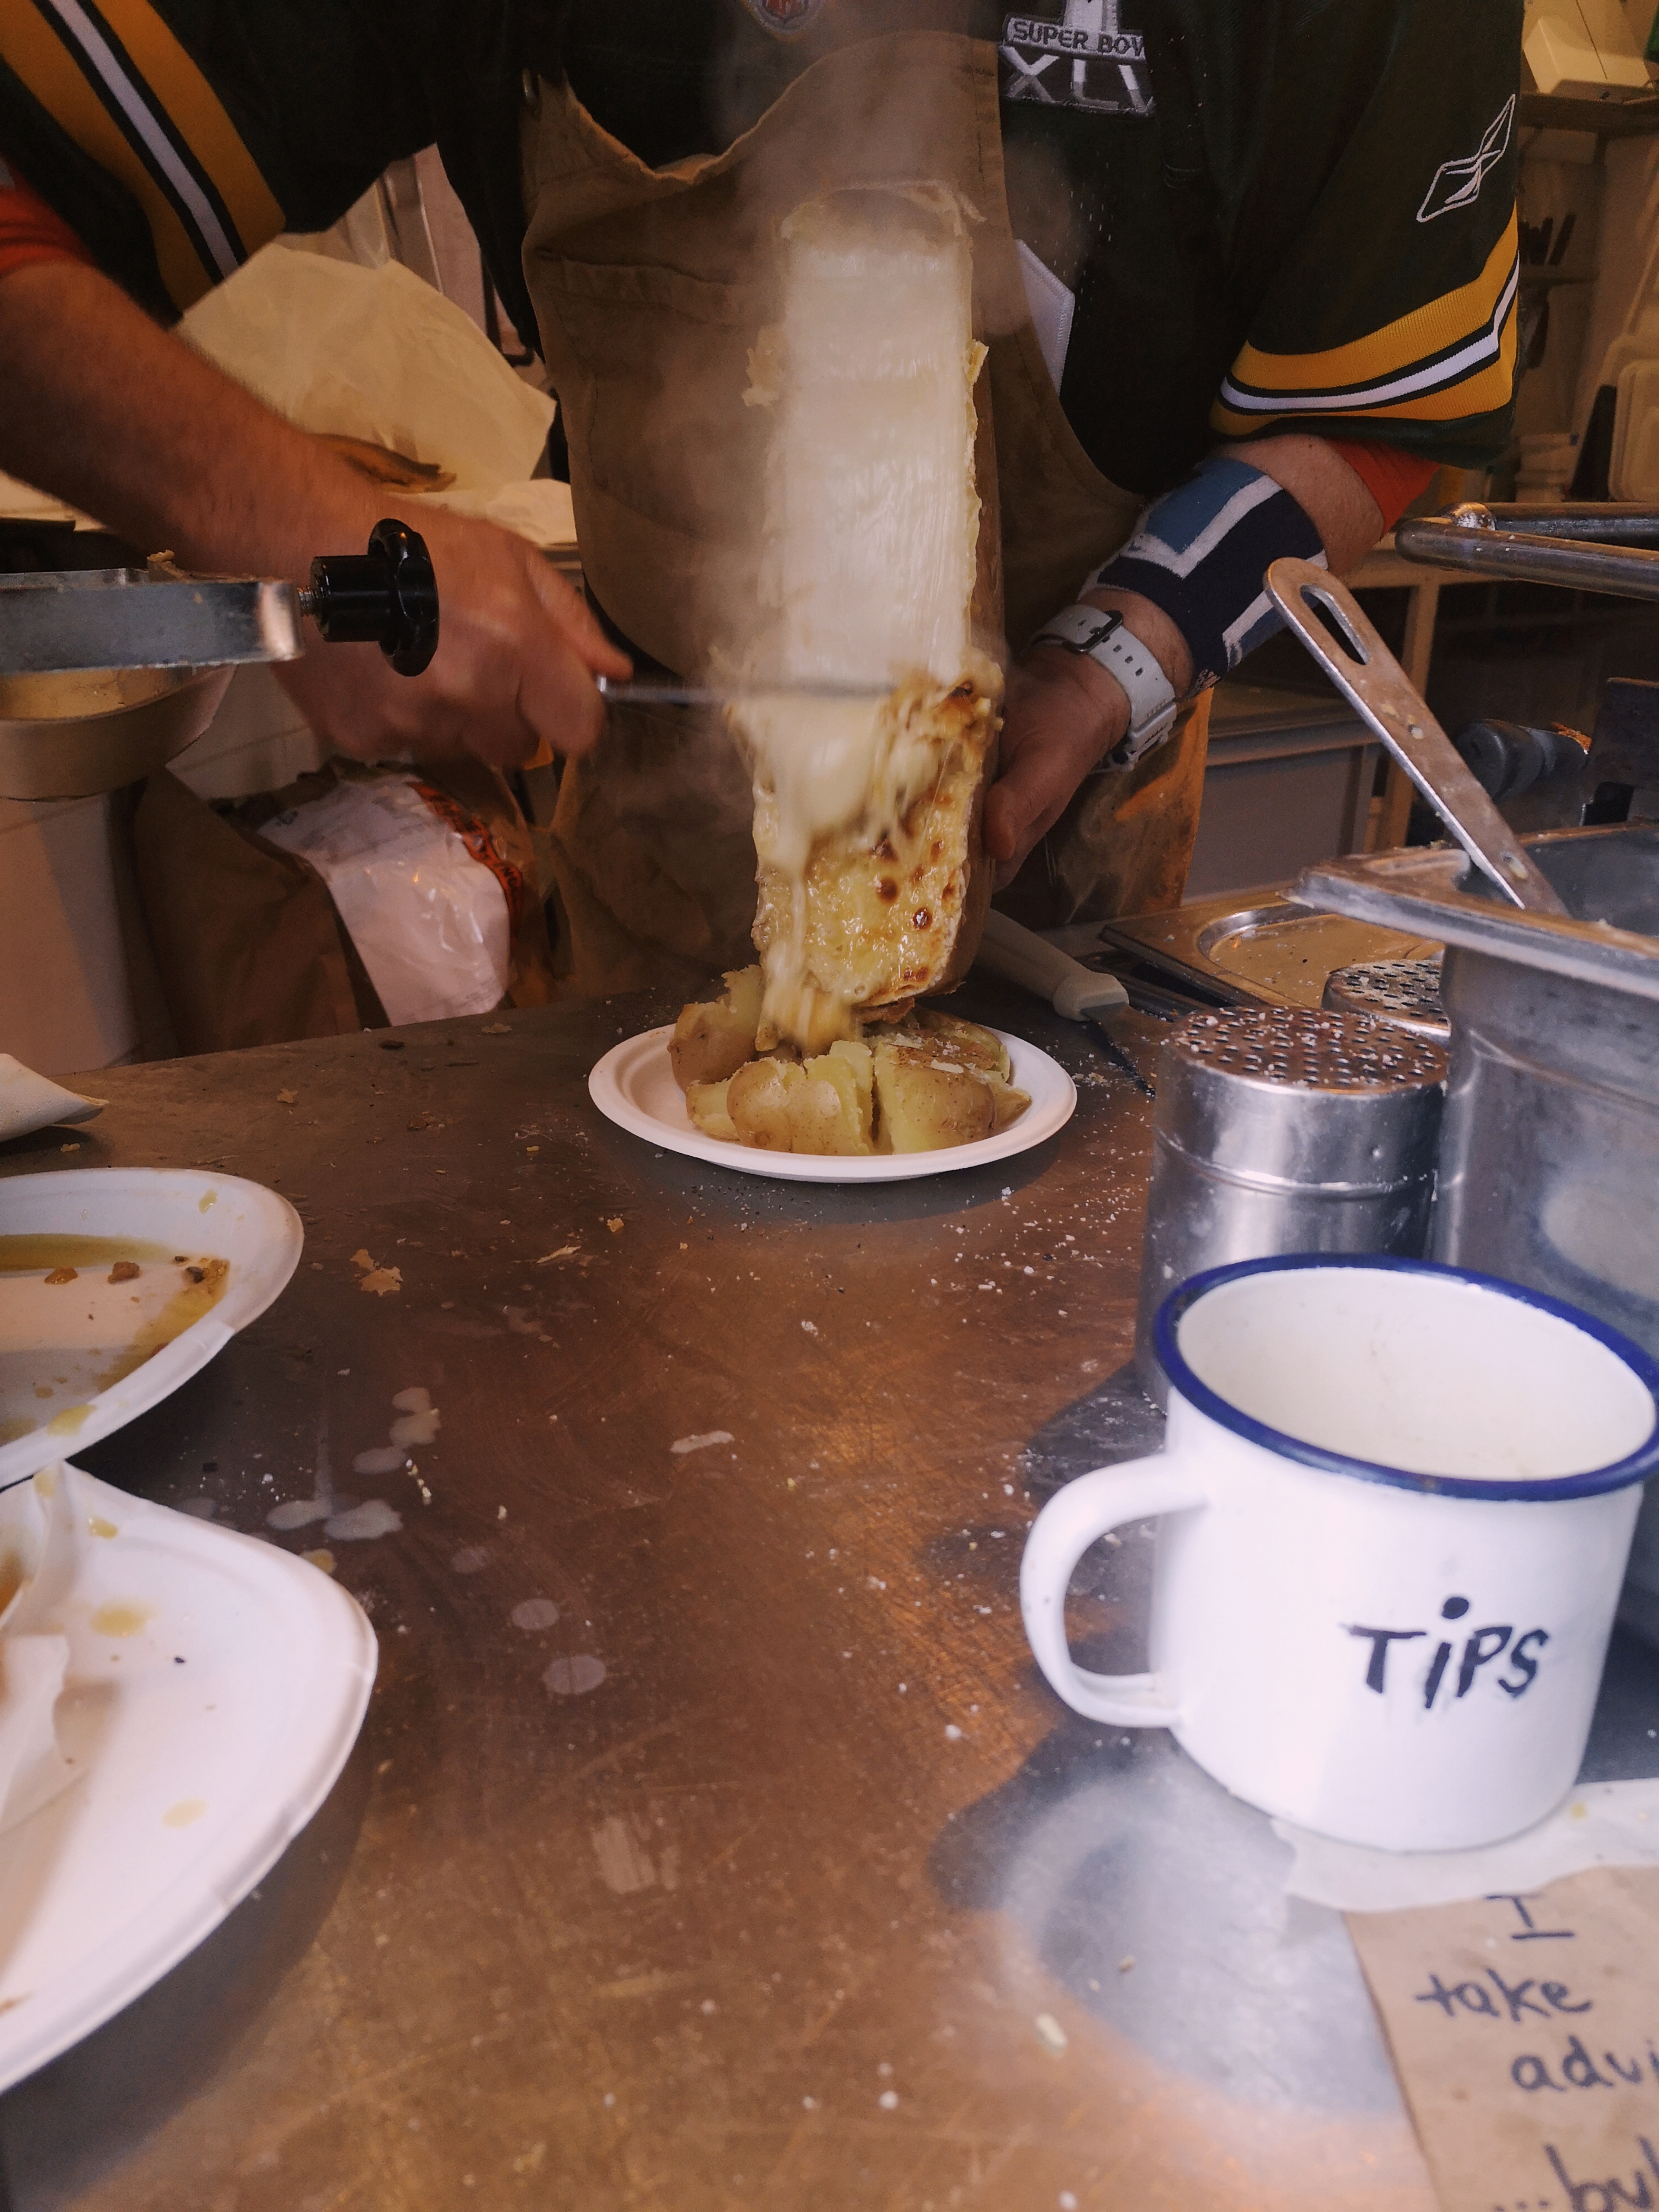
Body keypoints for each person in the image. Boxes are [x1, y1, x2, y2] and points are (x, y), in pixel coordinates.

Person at [0, 0, 1521, 992]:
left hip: (1078, 871)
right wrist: (301, 531)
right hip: (654, 877)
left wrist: (1108, 667)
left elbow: (1374, 413)